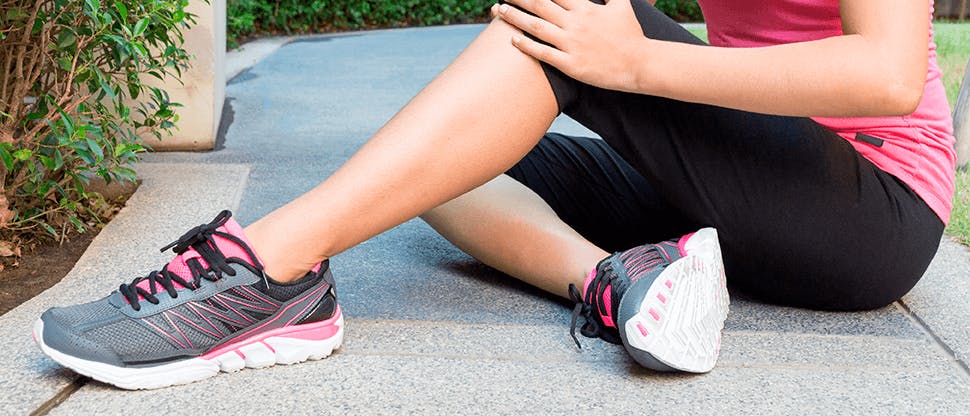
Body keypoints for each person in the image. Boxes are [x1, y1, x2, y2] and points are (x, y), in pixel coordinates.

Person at [32, 0, 955, 389]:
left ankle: (268, 275)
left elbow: (883, 77)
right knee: (433, 166)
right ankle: (621, 283)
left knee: (572, 29)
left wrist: (631, 56)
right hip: (745, 197)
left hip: (867, 209)